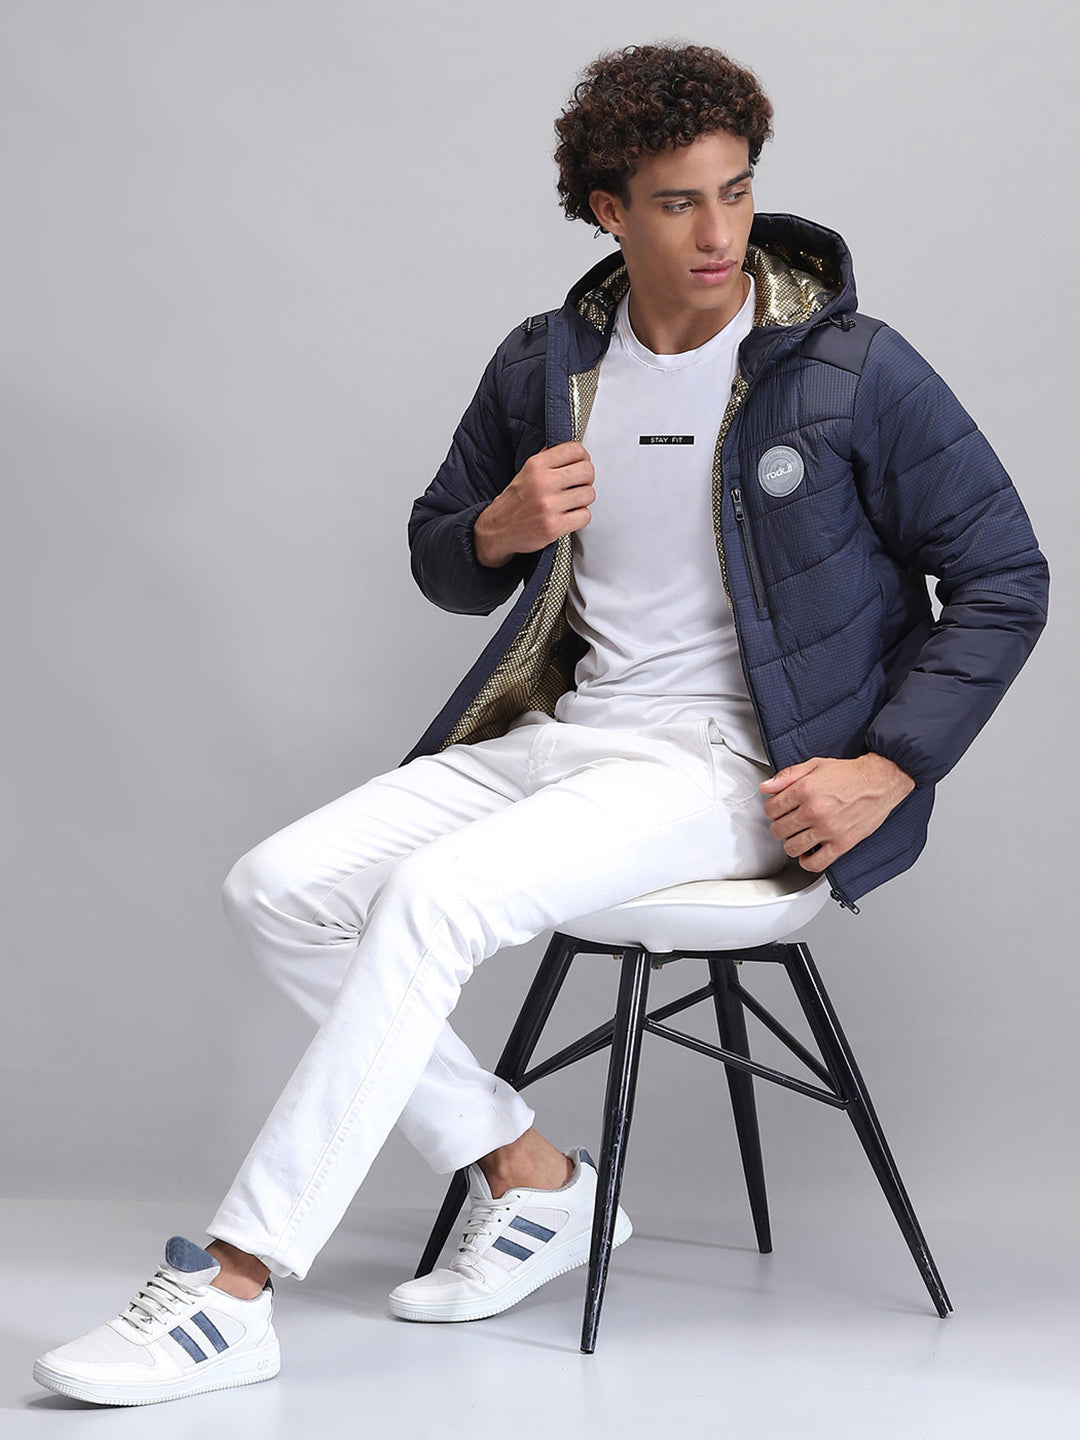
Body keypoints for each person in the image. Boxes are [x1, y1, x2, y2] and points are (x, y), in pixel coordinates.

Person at [33, 42, 1047, 1406]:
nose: (719, 232)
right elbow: (439, 551)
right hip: (567, 737)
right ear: (609, 211)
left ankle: (233, 1286)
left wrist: (889, 765)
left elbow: (1005, 578)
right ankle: (531, 1177)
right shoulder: (549, 363)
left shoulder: (852, 370)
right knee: (274, 889)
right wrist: (495, 530)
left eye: (737, 191)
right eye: (678, 202)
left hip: (731, 764)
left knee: (432, 901)